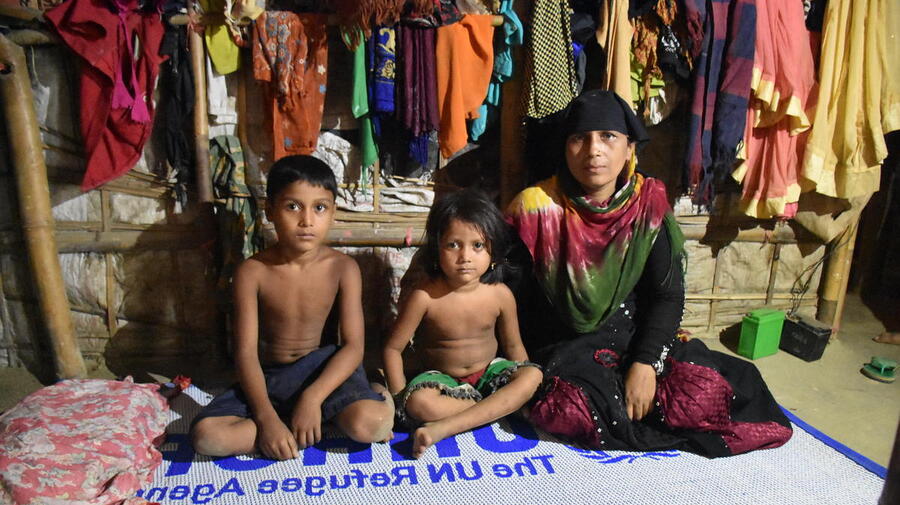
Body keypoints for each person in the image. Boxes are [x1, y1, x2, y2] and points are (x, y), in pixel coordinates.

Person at [504, 89, 793, 457]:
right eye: (579, 138)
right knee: (567, 410)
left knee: (702, 396)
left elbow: (666, 294)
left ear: (629, 148)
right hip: (562, 343)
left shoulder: (647, 206)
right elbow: (508, 294)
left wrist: (645, 363)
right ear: (565, 147)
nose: (594, 150)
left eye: (608, 136)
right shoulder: (536, 207)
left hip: (633, 335)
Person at [191, 155, 394, 460]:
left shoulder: (343, 268)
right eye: (293, 207)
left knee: (371, 424)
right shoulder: (252, 272)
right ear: (270, 210)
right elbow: (245, 353)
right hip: (271, 378)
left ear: (333, 212)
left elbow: (353, 347)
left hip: (324, 372)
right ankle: (295, 425)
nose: (307, 221)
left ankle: (375, 393)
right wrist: (266, 419)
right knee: (208, 438)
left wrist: (312, 398)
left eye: (319, 208)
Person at [383, 190, 543, 459]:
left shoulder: (500, 295)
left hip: (490, 375)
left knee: (533, 377)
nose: (465, 256)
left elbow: (514, 347)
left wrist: (522, 379)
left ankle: (445, 427)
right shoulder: (425, 297)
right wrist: (400, 400)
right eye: (453, 245)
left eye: (477, 245)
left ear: (493, 251)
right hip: (441, 380)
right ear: (436, 249)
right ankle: (498, 408)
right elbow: (392, 349)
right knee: (420, 403)